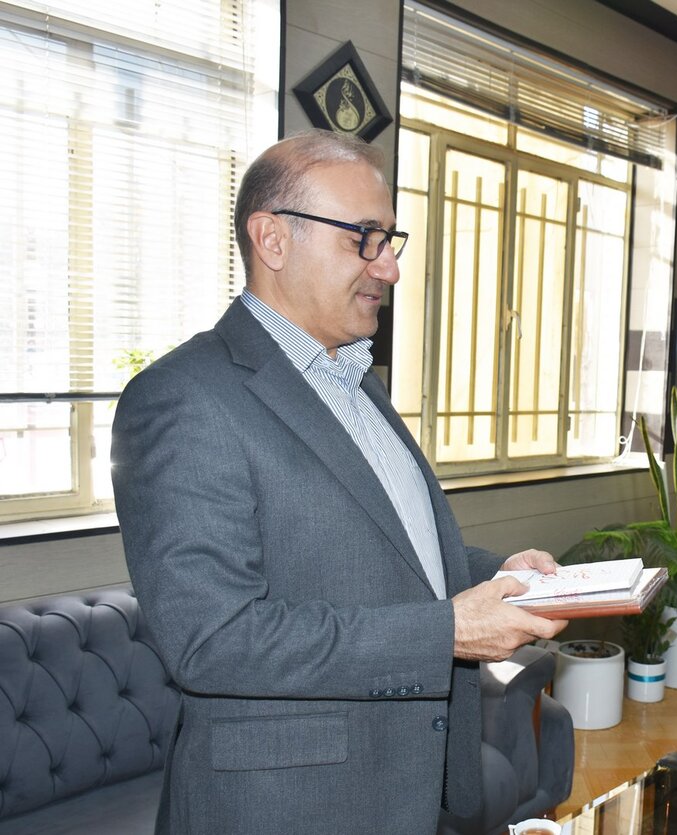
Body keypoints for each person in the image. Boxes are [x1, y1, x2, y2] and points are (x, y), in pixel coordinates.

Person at [111, 129, 567, 835]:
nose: (389, 267)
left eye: (391, 241)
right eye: (364, 238)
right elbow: (213, 638)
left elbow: (392, 553)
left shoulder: (353, 377)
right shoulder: (182, 397)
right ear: (272, 239)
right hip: (286, 808)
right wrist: (449, 630)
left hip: (404, 787)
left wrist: (496, 575)